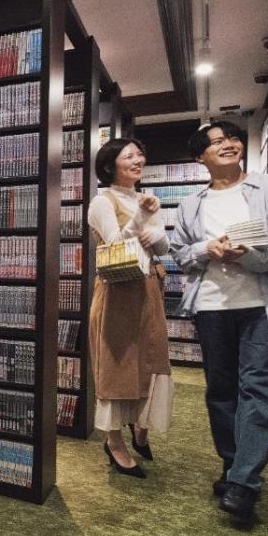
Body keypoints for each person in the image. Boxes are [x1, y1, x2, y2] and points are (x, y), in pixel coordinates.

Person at [171, 119, 268, 523]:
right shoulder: (191, 204)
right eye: (215, 142)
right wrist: (206, 249)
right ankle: (232, 465)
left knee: (258, 388)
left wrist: (249, 256)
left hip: (263, 305)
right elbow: (180, 254)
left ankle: (245, 483)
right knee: (221, 390)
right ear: (200, 157)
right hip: (211, 305)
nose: (227, 144)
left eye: (231, 138)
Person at [88, 138, 173, 479]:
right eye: (129, 156)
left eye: (140, 154)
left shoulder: (144, 199)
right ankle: (114, 442)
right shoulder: (102, 201)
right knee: (117, 365)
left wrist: (154, 235)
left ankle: (141, 427)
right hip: (118, 293)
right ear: (111, 165)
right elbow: (115, 244)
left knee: (152, 358)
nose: (138, 160)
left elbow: (163, 248)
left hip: (149, 289)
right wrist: (143, 218)